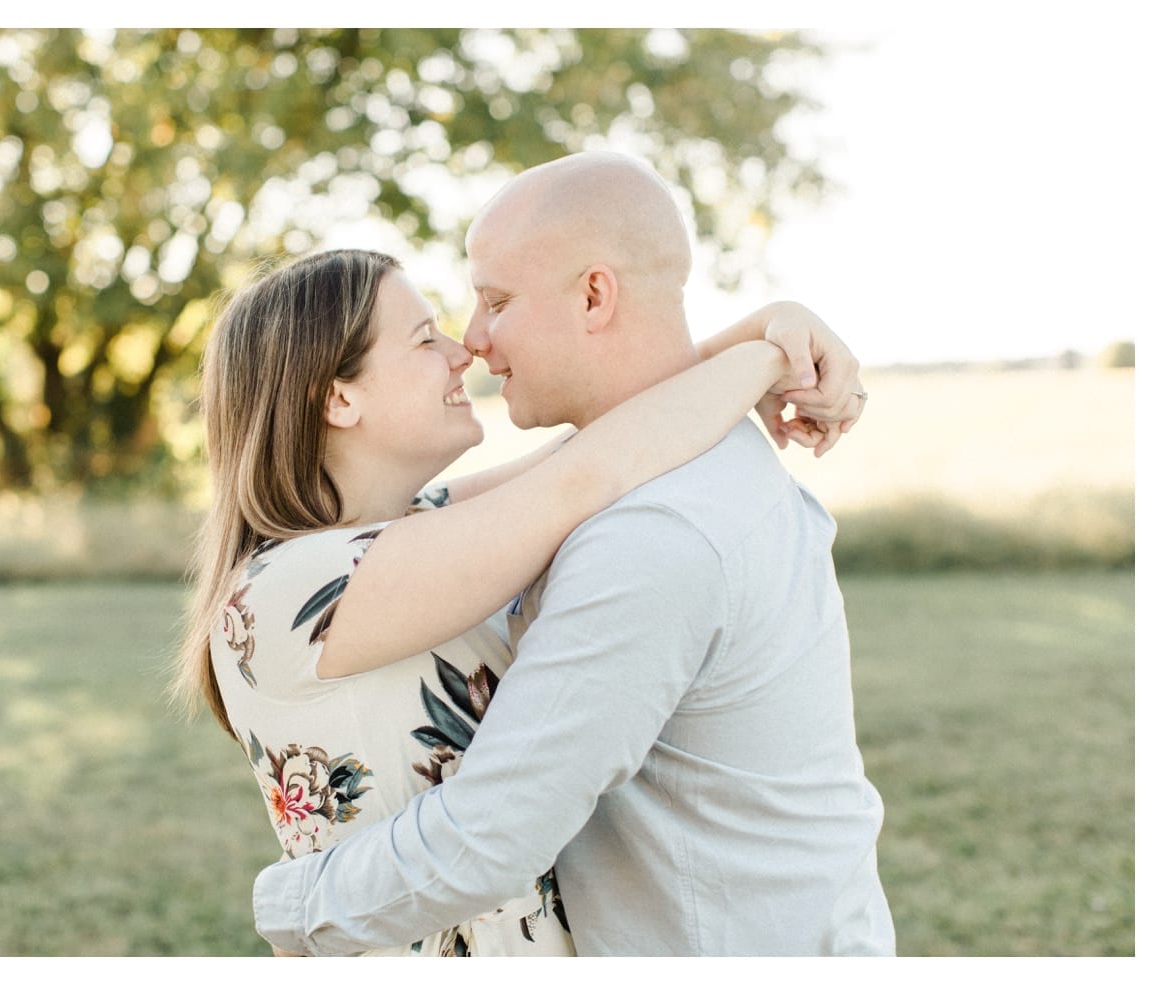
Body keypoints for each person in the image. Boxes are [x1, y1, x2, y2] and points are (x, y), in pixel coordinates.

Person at [248, 151, 895, 957]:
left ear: (594, 295)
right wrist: (768, 340)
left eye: (496, 301)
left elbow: (490, 834)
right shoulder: (681, 455)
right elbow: (578, 464)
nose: (472, 342)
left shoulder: (652, 529)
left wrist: (286, 903)